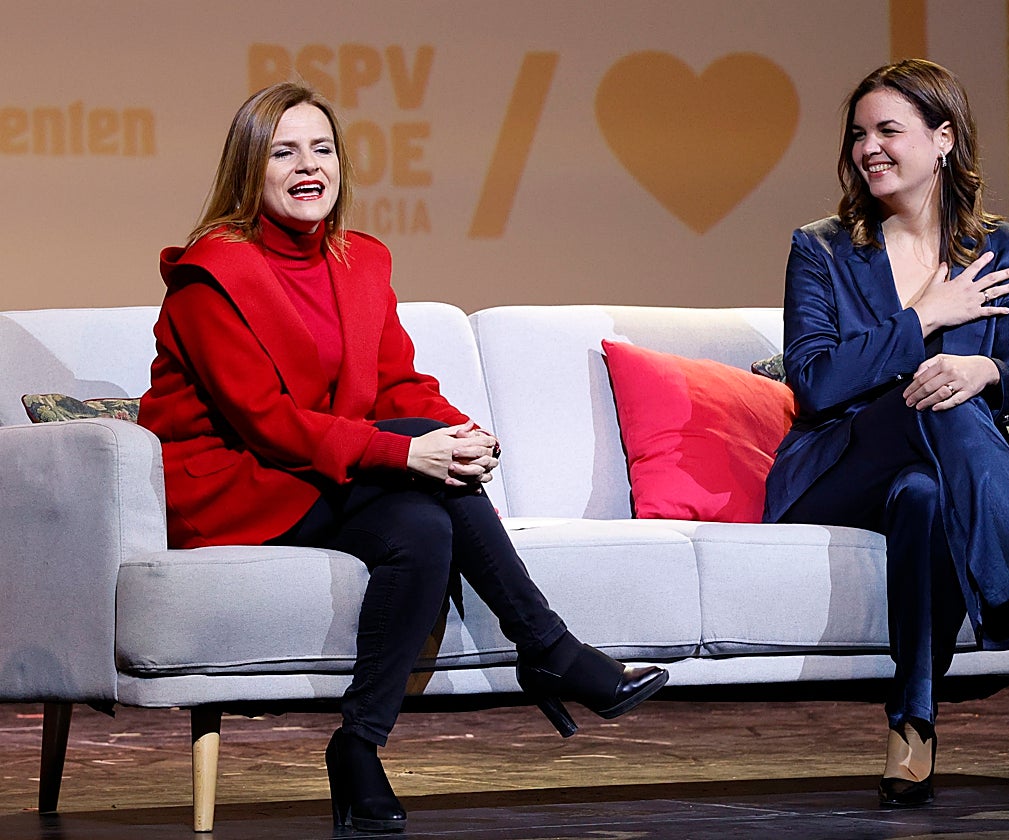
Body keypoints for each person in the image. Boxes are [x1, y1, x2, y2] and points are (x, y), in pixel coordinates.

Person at [137, 81, 668, 834]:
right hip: (234, 482)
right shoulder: (210, 275)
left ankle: (358, 745)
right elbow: (266, 421)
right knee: (421, 463)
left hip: (315, 475)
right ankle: (549, 647)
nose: (309, 166)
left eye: (322, 149)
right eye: (284, 153)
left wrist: (462, 433)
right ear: (250, 169)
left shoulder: (361, 262)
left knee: (424, 528)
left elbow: (396, 382)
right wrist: (410, 448)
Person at [762, 59, 1009, 808]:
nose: (869, 148)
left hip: (937, 476)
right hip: (837, 468)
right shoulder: (823, 249)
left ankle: (913, 725)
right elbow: (817, 383)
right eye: (859, 134)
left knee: (926, 490)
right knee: (939, 394)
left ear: (943, 139)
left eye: (888, 130)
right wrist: (926, 317)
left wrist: (986, 372)